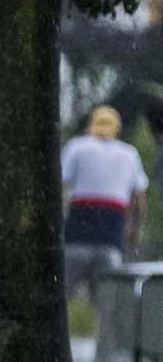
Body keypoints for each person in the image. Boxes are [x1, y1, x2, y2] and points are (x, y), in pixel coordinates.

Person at [61, 105, 149, 298]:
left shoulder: (77, 146)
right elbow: (140, 201)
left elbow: (61, 184)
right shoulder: (130, 154)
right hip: (110, 240)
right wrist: (134, 229)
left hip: (76, 238)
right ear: (117, 129)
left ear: (90, 126)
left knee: (61, 296)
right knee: (107, 301)